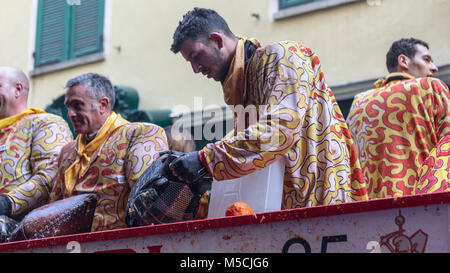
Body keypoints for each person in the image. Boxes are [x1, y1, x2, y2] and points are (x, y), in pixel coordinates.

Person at [165, 7, 368, 218]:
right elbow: (249, 152)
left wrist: (205, 160)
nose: (196, 69)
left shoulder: (282, 55)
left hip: (318, 201)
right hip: (286, 209)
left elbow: (280, 130)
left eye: (196, 56)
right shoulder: (243, 84)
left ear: (217, 40)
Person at [0, 73, 169, 231]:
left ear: (103, 105)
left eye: (77, 105)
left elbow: (149, 202)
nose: (70, 114)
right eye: (68, 107)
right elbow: (52, 206)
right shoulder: (67, 152)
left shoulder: (140, 134)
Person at [346, 38, 450, 199]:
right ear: (403, 61)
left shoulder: (358, 102)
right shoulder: (431, 87)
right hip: (422, 207)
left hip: (368, 213)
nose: (434, 68)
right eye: (427, 60)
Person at [0, 66, 72, 218]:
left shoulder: (45, 123)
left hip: (23, 231)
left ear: (18, 89)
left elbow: (51, 176)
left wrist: (7, 203)